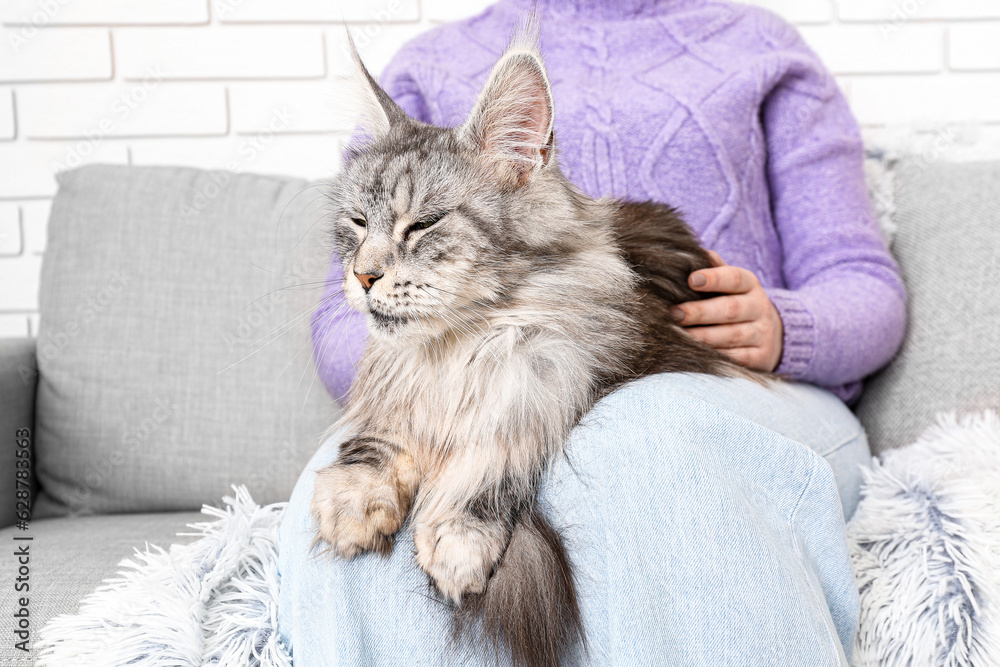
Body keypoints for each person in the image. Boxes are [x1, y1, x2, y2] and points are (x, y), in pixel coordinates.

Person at [277, 0, 907, 664]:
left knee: (642, 444)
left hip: (728, 379)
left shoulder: (763, 48)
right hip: (478, 384)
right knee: (338, 492)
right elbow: (342, 322)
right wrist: (472, 391)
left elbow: (865, 285)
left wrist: (786, 326)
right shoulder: (424, 66)